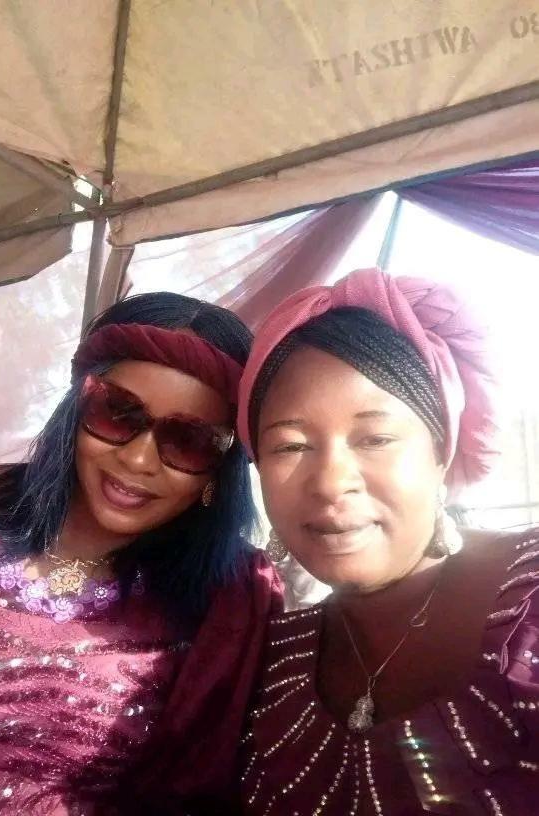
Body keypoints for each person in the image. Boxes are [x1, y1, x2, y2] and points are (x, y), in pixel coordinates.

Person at [0, 292, 281, 815]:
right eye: (119, 413)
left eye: (187, 440)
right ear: (77, 407)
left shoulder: (232, 598)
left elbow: (198, 787)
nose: (137, 460)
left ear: (220, 468)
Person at [236, 268, 538, 815]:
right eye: (290, 447)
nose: (331, 483)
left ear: (441, 451)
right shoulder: (270, 662)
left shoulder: (529, 604)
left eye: (375, 438)